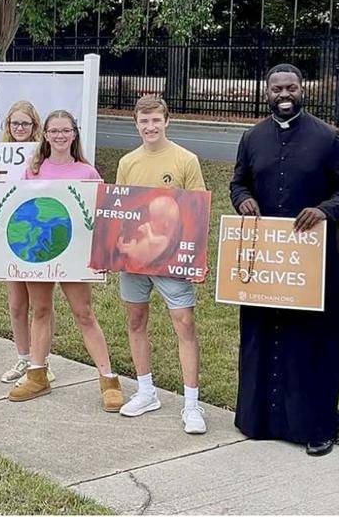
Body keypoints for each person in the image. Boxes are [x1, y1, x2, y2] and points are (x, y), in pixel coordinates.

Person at [229, 63, 339, 456]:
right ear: (266, 92)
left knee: (313, 340)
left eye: (291, 87)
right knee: (260, 334)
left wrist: (323, 211)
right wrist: (242, 200)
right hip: (265, 259)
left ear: (302, 90)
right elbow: (238, 182)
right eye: (276, 89)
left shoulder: (328, 138)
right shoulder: (252, 138)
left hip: (313, 262)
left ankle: (317, 424)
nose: (283, 94)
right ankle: (259, 419)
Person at [0, 109, 123, 411]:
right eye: (54, 130)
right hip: (38, 252)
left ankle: (108, 379)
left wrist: (104, 249)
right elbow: (14, 209)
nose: (59, 136)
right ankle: (37, 374)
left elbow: (101, 216)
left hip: (72, 255)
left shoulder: (87, 173)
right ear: (45, 134)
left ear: (74, 134)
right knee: (40, 310)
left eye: (65, 130)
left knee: (83, 313)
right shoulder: (33, 170)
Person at [114, 94, 208, 433]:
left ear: (166, 121)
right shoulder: (128, 162)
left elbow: (197, 212)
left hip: (172, 259)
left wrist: (196, 259)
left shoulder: (186, 160)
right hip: (137, 256)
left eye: (156, 120)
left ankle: (191, 404)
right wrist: (112, 252)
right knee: (136, 320)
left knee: (184, 324)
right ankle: (146, 390)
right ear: (136, 124)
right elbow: (121, 211)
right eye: (144, 120)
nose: (150, 126)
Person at [0, 100, 55, 386]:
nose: (19, 128)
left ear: (36, 127)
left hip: (37, 235)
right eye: (14, 123)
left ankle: (42, 360)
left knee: (41, 303)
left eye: (25, 124)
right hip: (9, 236)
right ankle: (23, 356)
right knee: (17, 303)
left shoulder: (45, 158)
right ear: (8, 126)